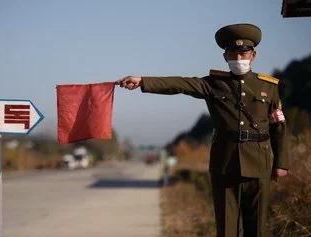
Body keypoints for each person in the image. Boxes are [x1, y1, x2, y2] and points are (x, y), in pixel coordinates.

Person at [116, 23, 289, 237]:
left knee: (257, 228)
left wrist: (281, 162)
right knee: (226, 229)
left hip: (259, 164)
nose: (239, 58)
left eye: (243, 53)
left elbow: (278, 126)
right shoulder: (213, 84)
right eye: (233, 53)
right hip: (225, 164)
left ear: (253, 55)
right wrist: (143, 81)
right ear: (225, 57)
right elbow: (180, 84)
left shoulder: (268, 87)